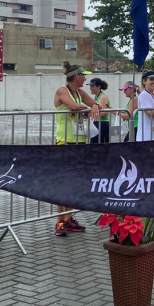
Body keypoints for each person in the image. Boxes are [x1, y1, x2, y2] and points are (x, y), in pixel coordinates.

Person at [53, 62, 100, 236]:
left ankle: (69, 218)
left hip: (80, 142)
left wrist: (94, 105)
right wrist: (90, 107)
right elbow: (73, 106)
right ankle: (59, 221)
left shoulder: (80, 92)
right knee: (62, 182)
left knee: (73, 182)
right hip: (64, 141)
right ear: (77, 76)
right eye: (83, 75)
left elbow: (96, 104)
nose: (86, 79)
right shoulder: (62, 91)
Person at [136, 70, 154, 142]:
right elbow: (151, 113)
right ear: (144, 81)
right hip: (146, 137)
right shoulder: (143, 95)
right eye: (151, 79)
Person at [88, 78, 111, 144]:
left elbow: (104, 113)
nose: (90, 88)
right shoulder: (96, 97)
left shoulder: (103, 97)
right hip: (97, 123)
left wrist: (91, 114)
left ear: (99, 87)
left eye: (92, 86)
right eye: (90, 86)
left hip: (102, 124)